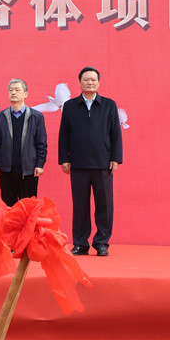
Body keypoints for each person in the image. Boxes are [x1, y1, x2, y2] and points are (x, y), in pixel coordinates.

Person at [58, 66, 123, 257]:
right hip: (78, 164)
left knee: (104, 205)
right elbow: (64, 135)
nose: (90, 82)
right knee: (80, 206)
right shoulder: (70, 106)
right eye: (86, 79)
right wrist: (64, 159)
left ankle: (101, 242)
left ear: (99, 83)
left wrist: (115, 158)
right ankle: (80, 243)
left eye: (93, 80)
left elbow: (116, 134)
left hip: (103, 163)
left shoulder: (109, 105)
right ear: (79, 83)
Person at [0, 78, 47, 206]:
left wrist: (39, 164)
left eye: (17, 90)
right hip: (6, 171)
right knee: (8, 209)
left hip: (29, 171)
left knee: (28, 209)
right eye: (11, 90)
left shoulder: (36, 116)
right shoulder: (1, 117)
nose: (13, 93)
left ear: (25, 94)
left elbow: (41, 143)